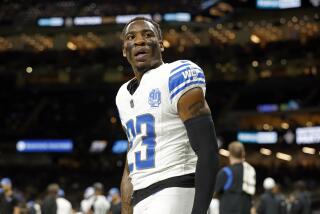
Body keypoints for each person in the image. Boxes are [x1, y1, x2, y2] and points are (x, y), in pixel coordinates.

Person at [116, 16, 219, 214]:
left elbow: (208, 150)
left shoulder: (176, 74)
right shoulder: (122, 95)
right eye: (131, 37)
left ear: (161, 45)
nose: (139, 41)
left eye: (148, 35)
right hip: (141, 196)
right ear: (124, 50)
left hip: (175, 188)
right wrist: (126, 208)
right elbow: (132, 155)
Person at [214, 141, 256, 214]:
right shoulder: (250, 170)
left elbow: (215, 192)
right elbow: (251, 193)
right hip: (245, 209)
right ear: (243, 154)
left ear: (230, 154)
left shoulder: (226, 172)